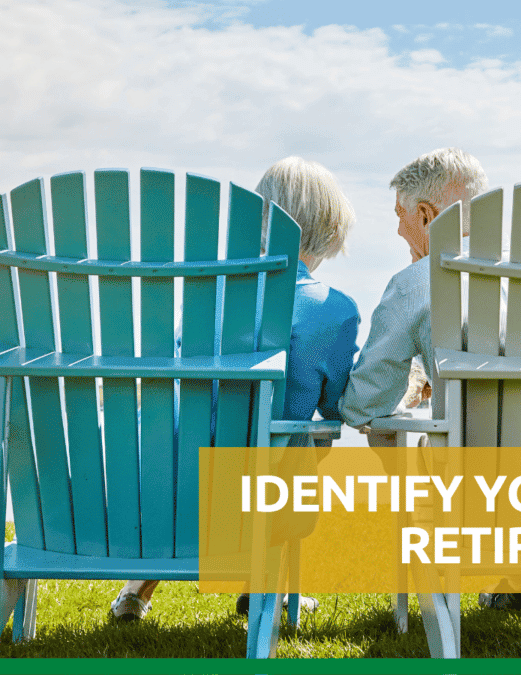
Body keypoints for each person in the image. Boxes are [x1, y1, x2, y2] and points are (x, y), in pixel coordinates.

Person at [338, 147, 521, 615]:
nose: (398, 230)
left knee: (398, 435)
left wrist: (412, 384)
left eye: (400, 216)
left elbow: (361, 405)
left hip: (481, 490)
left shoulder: (416, 283)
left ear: (426, 215)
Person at [111, 157, 361, 621]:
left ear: (259, 219)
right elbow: (336, 408)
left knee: (202, 427)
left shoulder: (210, 296)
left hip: (173, 486)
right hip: (264, 503)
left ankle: (136, 590)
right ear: (330, 228)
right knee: (298, 443)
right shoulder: (334, 312)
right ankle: (266, 584)